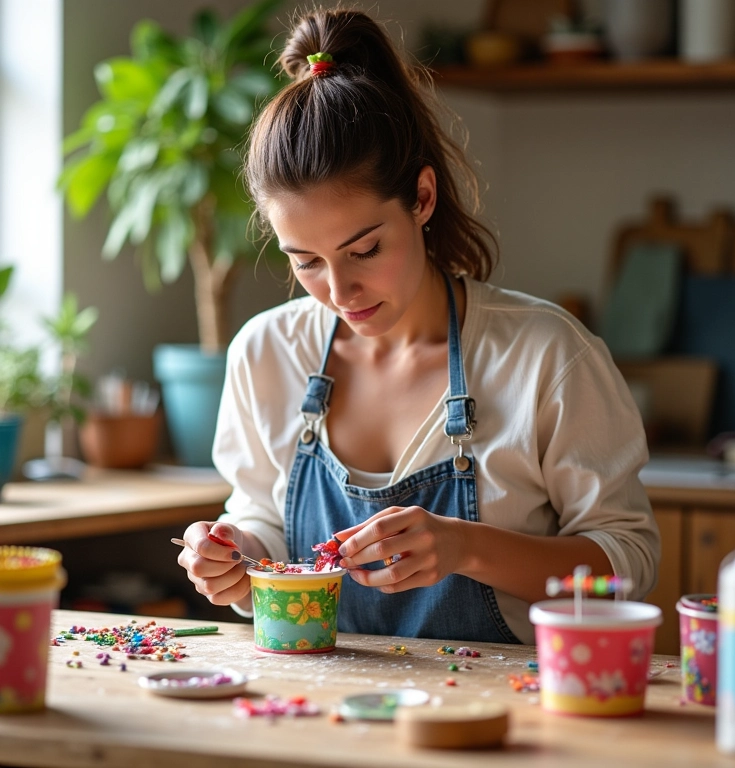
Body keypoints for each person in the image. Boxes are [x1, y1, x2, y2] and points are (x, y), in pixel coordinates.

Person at [177, 7, 660, 645]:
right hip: (319, 717)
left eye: (366, 250)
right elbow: (263, 522)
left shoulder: (545, 356)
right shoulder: (266, 353)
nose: (340, 291)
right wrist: (233, 555)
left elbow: (628, 567)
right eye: (306, 262)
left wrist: (466, 548)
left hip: (499, 726)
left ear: (423, 198)